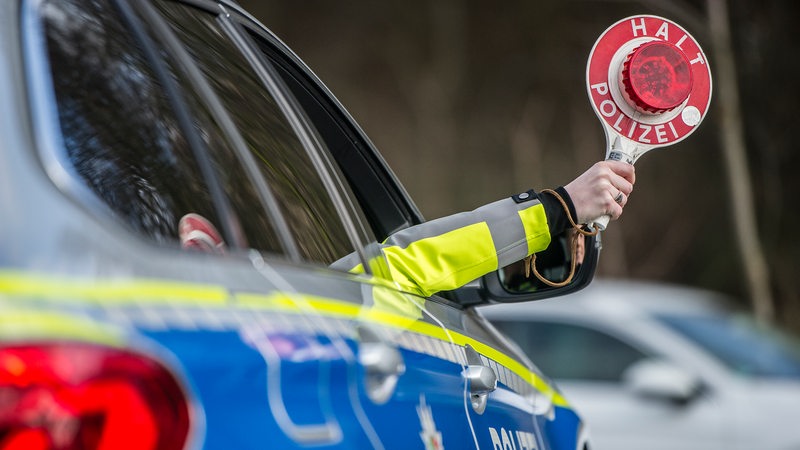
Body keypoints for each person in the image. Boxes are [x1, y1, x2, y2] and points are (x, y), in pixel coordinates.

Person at [332, 160, 635, 298]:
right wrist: (558, 208)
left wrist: (559, 209)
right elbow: (397, 271)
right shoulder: (321, 298)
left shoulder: (301, 298)